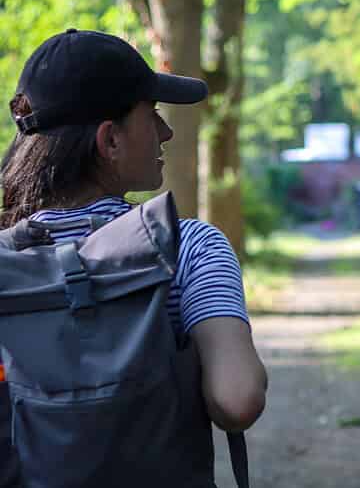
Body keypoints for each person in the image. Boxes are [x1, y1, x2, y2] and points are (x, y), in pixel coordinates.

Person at [1, 29, 267, 476]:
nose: (165, 132)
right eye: (152, 115)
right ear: (110, 141)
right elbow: (237, 400)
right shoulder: (189, 246)